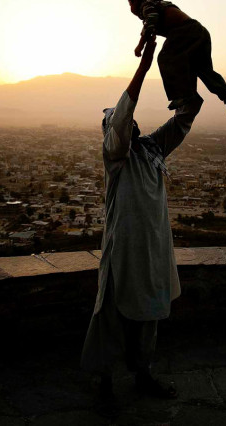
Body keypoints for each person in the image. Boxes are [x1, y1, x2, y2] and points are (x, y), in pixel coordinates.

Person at [80, 36, 203, 407]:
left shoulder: (151, 149)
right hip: (123, 252)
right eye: (117, 122)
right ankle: (104, 383)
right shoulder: (114, 156)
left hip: (151, 251)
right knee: (111, 319)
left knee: (147, 318)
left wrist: (184, 68)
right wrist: (143, 67)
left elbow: (184, 117)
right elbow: (120, 118)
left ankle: (143, 373)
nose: (125, 125)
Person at [127, 0, 226, 118]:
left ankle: (183, 95)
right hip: (199, 32)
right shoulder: (158, 4)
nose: (130, 8)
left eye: (130, 3)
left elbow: (150, 24)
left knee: (166, 58)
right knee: (204, 71)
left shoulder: (148, 5)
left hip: (184, 31)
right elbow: (152, 26)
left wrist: (140, 46)